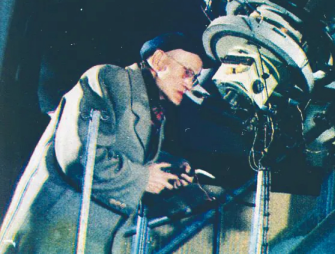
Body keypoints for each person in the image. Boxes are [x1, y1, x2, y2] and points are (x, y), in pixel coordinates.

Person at [0, 33, 205, 253]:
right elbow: (80, 156)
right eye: (187, 72)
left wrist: (168, 168)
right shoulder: (110, 78)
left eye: (194, 79)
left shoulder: (152, 112)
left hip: (88, 238)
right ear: (158, 60)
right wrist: (145, 177)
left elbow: (123, 152)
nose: (190, 84)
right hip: (53, 233)